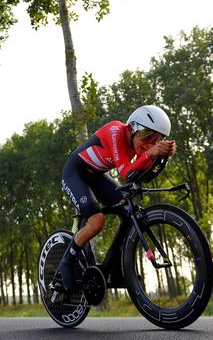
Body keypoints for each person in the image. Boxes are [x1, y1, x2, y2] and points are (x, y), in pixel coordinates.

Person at [57, 105, 177, 291]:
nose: (149, 145)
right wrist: (150, 154)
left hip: (96, 176)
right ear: (132, 128)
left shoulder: (139, 146)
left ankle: (118, 271)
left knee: (129, 212)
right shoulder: (116, 131)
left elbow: (141, 173)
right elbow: (126, 173)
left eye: (156, 141)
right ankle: (66, 262)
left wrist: (161, 157)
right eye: (147, 137)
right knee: (96, 221)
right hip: (75, 173)